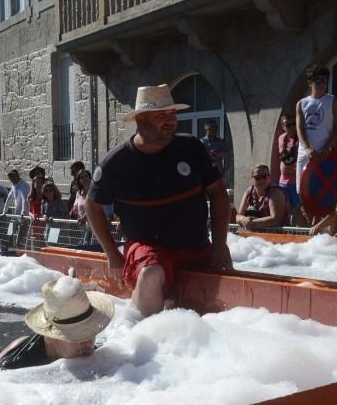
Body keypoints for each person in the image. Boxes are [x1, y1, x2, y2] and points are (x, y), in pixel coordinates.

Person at [86, 84, 232, 316]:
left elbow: (218, 194)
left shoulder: (192, 148)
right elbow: (92, 206)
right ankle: (139, 339)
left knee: (218, 292)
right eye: (161, 115)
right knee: (151, 273)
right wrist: (112, 255)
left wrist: (220, 243)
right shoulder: (116, 162)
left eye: (172, 114)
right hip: (147, 249)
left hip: (195, 246)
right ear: (141, 120)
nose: (170, 120)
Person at [0, 276, 114, 371]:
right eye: (76, 335)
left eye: (89, 330)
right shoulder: (15, 367)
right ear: (50, 337)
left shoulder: (94, 352)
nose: (87, 341)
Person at [295, 64, 337, 193]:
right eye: (318, 79)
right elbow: (299, 128)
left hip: (324, 154)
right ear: (310, 82)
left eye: (325, 80)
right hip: (305, 154)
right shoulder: (301, 103)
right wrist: (307, 148)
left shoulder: (333, 101)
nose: (322, 83)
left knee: (323, 190)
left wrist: (328, 146)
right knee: (302, 192)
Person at [236, 165, 289, 231]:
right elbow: (238, 216)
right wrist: (243, 219)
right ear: (251, 179)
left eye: (264, 177)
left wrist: (251, 222)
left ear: (269, 177)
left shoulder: (275, 193)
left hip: (277, 235)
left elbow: (276, 219)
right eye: (257, 177)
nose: (261, 180)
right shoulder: (248, 192)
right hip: (254, 237)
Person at [271, 112, 298, 187]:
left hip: (296, 181)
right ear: (283, 127)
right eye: (288, 125)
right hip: (283, 181)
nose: (292, 127)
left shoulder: (300, 138)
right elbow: (282, 154)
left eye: (294, 123)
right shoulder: (281, 137)